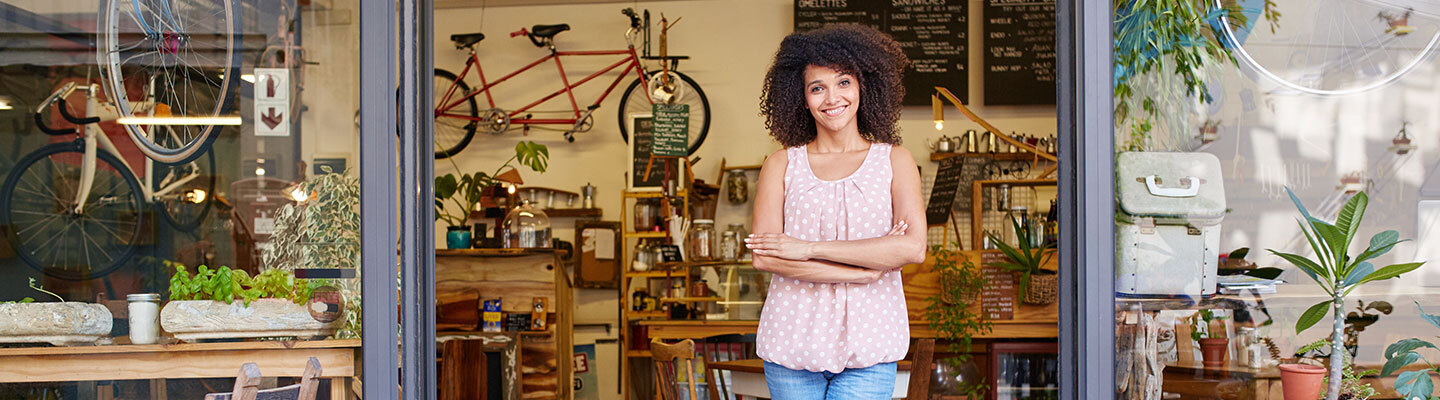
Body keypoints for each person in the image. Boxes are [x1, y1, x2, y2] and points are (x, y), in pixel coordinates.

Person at [744, 24, 926, 399]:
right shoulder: (780, 164)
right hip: (790, 344)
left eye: (844, 82)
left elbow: (912, 248)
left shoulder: (895, 161)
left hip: (870, 346)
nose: (832, 98)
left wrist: (807, 248)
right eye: (817, 87)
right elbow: (765, 257)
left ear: (864, 86)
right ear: (802, 98)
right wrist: (863, 272)